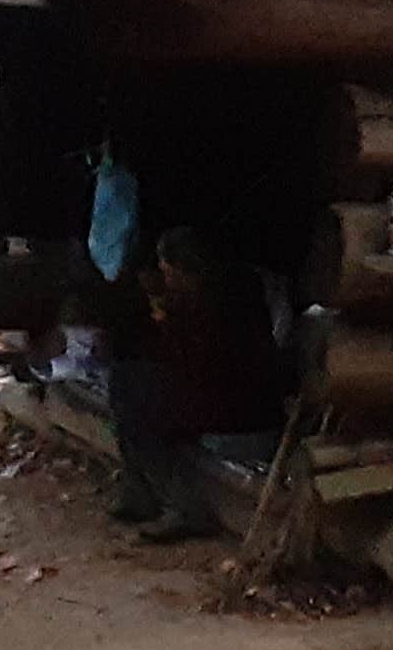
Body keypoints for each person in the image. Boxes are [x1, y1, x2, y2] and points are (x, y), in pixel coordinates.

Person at [103, 226, 280, 543]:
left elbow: (199, 366)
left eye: (169, 273)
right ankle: (141, 488)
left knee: (141, 409)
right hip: (221, 394)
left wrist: (166, 320)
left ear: (187, 272)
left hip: (238, 405)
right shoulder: (208, 298)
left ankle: (183, 507)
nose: (166, 280)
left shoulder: (219, 305)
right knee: (126, 381)